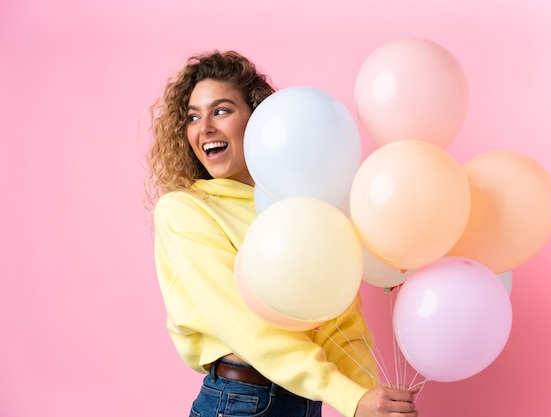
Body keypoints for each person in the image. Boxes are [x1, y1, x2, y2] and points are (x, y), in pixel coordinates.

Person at [145, 50, 420, 417]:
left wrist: (372, 397)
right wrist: (347, 396)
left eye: (221, 111)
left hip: (305, 402)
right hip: (240, 399)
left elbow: (339, 320)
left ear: (259, 118)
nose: (204, 127)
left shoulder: (301, 205)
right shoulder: (185, 211)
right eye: (193, 117)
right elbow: (245, 323)